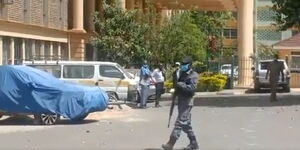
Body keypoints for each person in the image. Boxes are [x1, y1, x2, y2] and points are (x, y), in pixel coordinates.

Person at [162, 57, 199, 150]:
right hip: (181, 100)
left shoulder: (193, 75)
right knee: (186, 123)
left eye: (184, 64)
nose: (182, 66)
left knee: (180, 122)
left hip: (187, 101)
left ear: (190, 65)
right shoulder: (181, 74)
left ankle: (171, 143)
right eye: (182, 64)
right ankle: (194, 143)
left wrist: (180, 84)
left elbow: (191, 89)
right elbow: (177, 85)